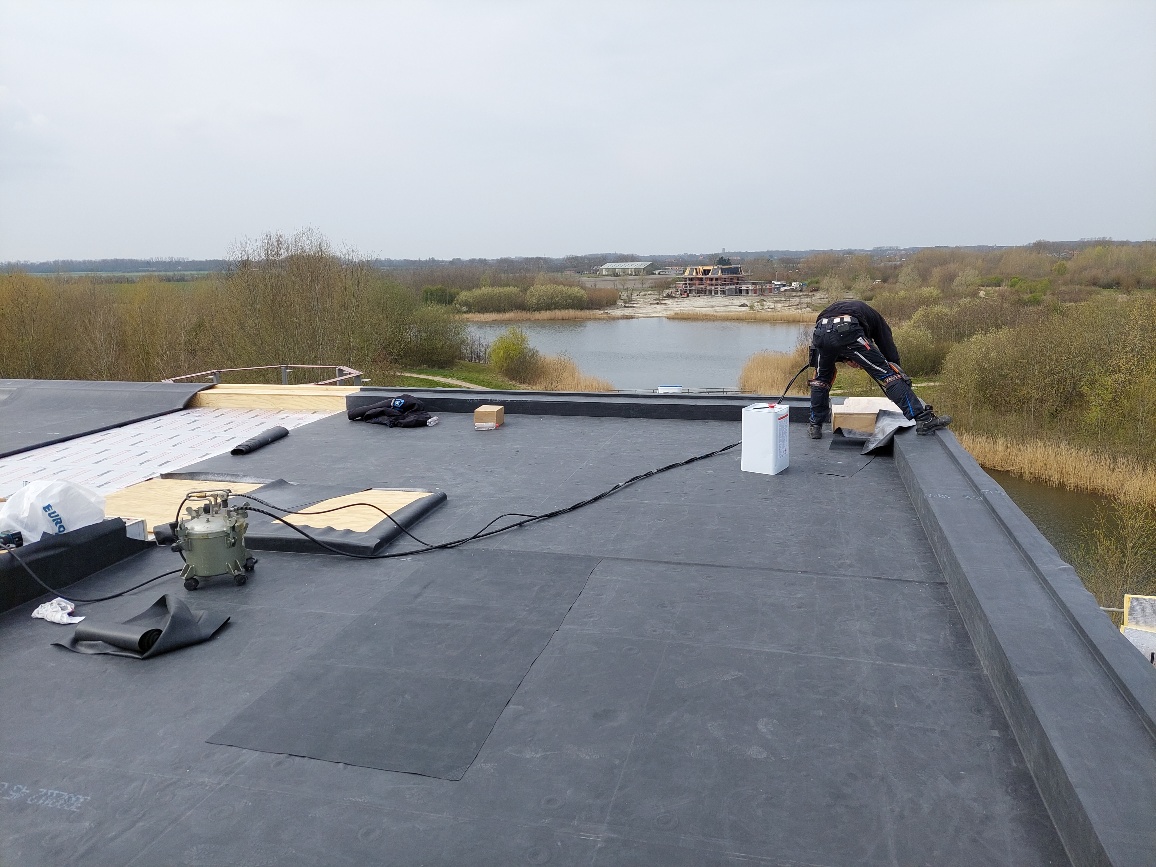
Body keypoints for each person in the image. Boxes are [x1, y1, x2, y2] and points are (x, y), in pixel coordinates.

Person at [807, 299, 950, 439]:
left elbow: (831, 338)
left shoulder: (833, 310)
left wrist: (845, 358)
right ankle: (923, 419)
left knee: (821, 380)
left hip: (820, 331)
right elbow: (886, 345)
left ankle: (815, 426)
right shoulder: (876, 319)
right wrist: (896, 371)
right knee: (889, 375)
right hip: (847, 329)